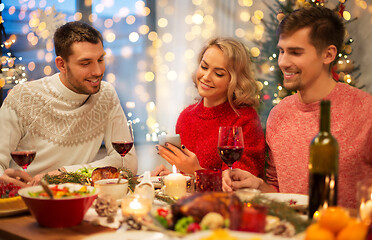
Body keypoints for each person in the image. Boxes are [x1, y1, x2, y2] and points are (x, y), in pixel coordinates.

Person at [222, 6, 372, 209]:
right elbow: (280, 193)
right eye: (282, 51)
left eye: (295, 52)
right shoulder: (278, 115)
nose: (283, 62)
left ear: (328, 55)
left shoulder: (366, 111)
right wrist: (257, 185)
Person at [0, 21, 137, 187]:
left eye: (100, 59)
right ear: (61, 65)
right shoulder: (23, 97)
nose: (98, 71)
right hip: (28, 199)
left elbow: (127, 162)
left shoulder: (106, 94)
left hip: (79, 200)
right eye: (85, 63)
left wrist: (64, 173)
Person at [153, 37, 266, 176]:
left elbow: (240, 183)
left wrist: (197, 172)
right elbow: (190, 181)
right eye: (204, 67)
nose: (206, 77)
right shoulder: (186, 116)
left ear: (234, 80)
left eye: (218, 73)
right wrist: (174, 177)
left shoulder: (245, 119)